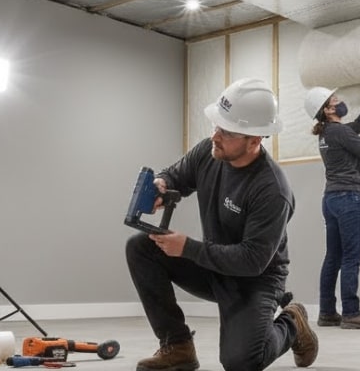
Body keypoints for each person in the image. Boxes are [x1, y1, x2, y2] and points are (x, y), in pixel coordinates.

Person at [126, 78, 318, 371]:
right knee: (141, 248)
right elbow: (176, 175)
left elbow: (253, 260)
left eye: (227, 131)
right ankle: (178, 347)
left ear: (254, 140)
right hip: (214, 266)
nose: (215, 135)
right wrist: (162, 185)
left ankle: (293, 322)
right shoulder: (209, 151)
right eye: (216, 125)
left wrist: (188, 248)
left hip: (256, 281)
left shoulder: (272, 190)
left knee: (241, 362)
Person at [304, 79, 360, 330]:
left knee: (333, 257)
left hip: (331, 199)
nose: (340, 102)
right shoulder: (340, 132)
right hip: (349, 199)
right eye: (335, 101)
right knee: (352, 257)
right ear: (327, 110)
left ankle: (326, 313)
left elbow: (359, 125)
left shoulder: (327, 133)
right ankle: (351, 313)